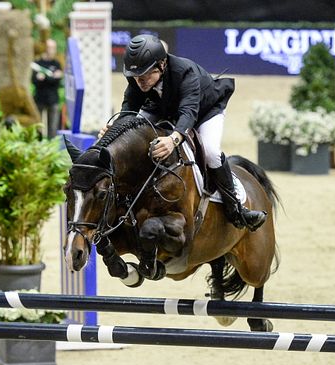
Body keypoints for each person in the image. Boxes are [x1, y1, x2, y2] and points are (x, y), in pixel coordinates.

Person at [102, 34, 266, 231]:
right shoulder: (138, 76)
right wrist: (113, 132)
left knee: (211, 151)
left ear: (162, 64)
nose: (141, 82)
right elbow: (129, 110)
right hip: (163, 108)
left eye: (146, 76)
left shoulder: (184, 71)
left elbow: (188, 113)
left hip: (204, 111)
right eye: (137, 77)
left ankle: (236, 209)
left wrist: (173, 139)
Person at [32, 38, 63, 139]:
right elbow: (34, 81)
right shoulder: (38, 63)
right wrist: (51, 77)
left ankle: (51, 150)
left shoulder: (56, 64)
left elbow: (57, 81)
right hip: (39, 99)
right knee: (38, 126)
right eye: (50, 47)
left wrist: (45, 78)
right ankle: (38, 146)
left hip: (53, 100)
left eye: (54, 48)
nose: (51, 50)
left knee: (53, 127)